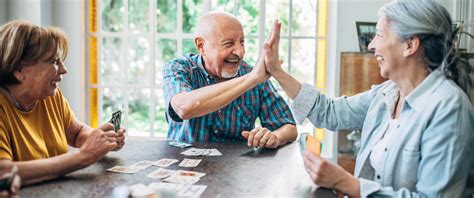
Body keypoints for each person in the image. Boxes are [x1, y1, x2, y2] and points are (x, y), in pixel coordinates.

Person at [260, 0, 473, 197]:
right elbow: (330, 112)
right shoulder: (386, 93)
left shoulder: (449, 109)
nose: (371, 45)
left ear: (410, 45)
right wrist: (277, 71)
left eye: (380, 35)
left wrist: (347, 183)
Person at [0, 20, 126, 185]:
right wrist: (82, 157)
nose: (63, 69)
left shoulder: (50, 96)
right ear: (19, 70)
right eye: (54, 61)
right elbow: (4, 172)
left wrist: (101, 140)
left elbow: (76, 133)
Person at [162, 11, 297, 148]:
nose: (240, 52)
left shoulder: (254, 75)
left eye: (242, 42)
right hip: (183, 165)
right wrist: (251, 79)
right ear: (201, 45)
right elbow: (184, 108)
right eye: (228, 44)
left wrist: (275, 137)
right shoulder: (179, 68)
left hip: (235, 167)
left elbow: (289, 128)